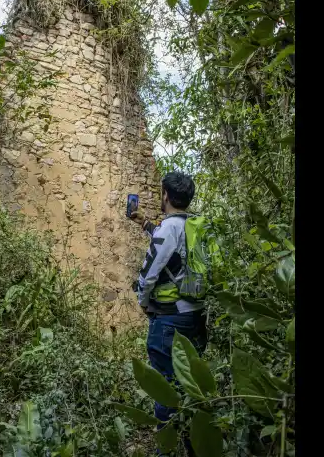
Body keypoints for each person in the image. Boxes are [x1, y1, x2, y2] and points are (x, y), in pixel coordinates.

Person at [130, 171, 206, 456]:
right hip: (197, 316)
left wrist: (142, 300)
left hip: (170, 320)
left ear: (165, 195)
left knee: (166, 386)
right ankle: (194, 446)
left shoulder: (168, 229)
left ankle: (166, 450)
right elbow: (178, 253)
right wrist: (146, 224)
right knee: (191, 384)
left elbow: (150, 273)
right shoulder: (198, 225)